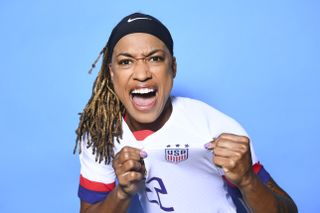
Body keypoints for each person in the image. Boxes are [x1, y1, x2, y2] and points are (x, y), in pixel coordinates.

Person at [74, 12, 297, 213]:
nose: (142, 74)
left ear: (173, 67)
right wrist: (122, 193)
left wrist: (247, 180)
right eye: (126, 62)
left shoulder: (214, 127)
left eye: (155, 58)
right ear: (111, 73)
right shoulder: (100, 136)